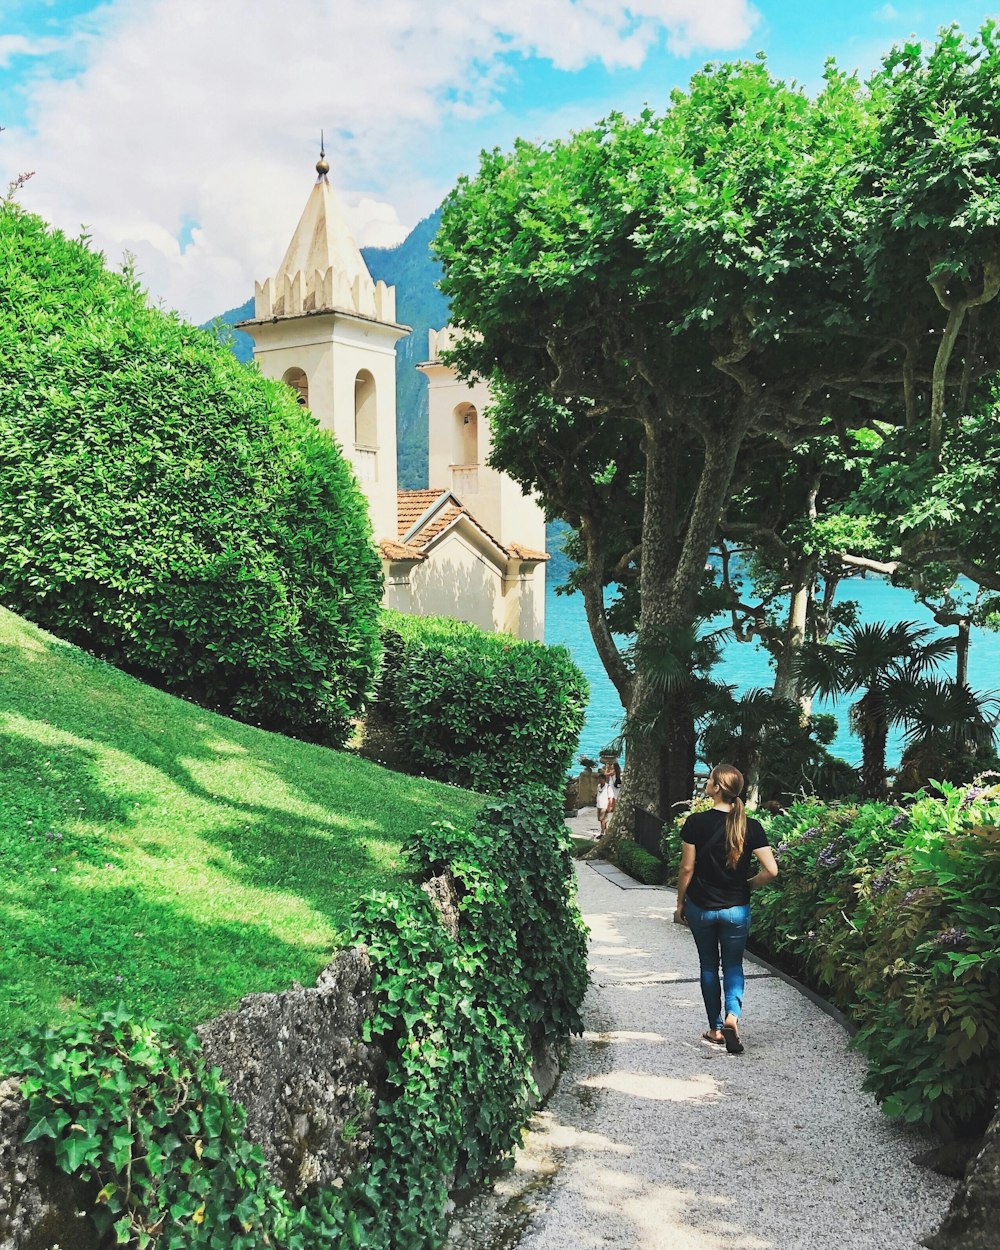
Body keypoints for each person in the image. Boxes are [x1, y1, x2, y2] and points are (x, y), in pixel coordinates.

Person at [674, 764, 778, 1054]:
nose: (707, 783)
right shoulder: (751, 826)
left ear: (717, 787)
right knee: (733, 965)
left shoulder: (696, 823)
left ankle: (715, 1029)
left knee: (708, 966)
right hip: (736, 909)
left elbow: (686, 868)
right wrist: (747, 886)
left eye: (709, 780)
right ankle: (733, 1017)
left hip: (702, 907)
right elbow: (771, 870)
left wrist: (681, 901)